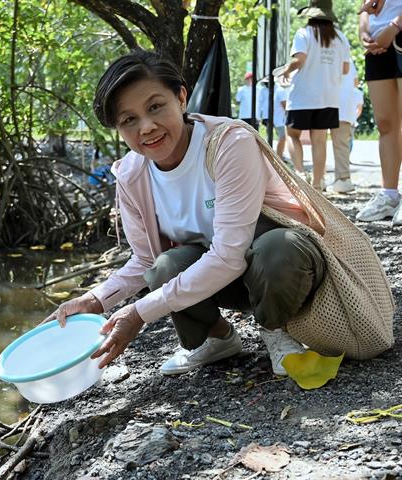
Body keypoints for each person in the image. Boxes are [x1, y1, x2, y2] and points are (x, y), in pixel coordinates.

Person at [44, 50, 328, 377]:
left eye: (155, 107)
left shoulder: (228, 143)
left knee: (278, 246)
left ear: (180, 97)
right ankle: (218, 338)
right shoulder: (132, 174)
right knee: (165, 265)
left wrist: (138, 313)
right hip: (228, 279)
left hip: (285, 267)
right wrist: (95, 300)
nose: (147, 127)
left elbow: (229, 255)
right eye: (129, 120)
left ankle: (278, 332)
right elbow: (144, 261)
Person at [280, 0, 350, 191]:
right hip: (328, 97)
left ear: (311, 15)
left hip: (303, 94)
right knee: (319, 140)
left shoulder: (304, 33)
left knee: (291, 134)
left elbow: (299, 59)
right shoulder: (341, 38)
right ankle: (318, 184)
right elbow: (345, 69)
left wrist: (286, 69)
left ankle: (300, 173)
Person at [355, 1, 402, 224]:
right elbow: (365, 6)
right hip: (376, 47)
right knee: (385, 123)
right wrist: (364, 32)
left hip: (398, 34)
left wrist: (394, 27)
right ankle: (390, 195)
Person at [329, 58, 360, 194]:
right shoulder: (348, 57)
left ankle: (318, 180)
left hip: (325, 101)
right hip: (346, 106)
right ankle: (343, 180)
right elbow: (355, 82)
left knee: (318, 141)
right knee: (342, 145)